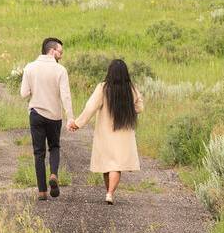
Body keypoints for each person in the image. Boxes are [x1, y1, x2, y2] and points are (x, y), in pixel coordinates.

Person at [67, 59, 144, 204]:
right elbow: (140, 107)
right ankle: (109, 193)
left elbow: (90, 107)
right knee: (116, 165)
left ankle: (109, 192)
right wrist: (127, 109)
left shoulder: (103, 88)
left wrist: (78, 123)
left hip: (105, 133)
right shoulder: (131, 89)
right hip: (124, 132)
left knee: (107, 164)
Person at [20, 37, 74, 201]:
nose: (61, 56)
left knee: (38, 153)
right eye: (60, 52)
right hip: (54, 116)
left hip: (36, 113)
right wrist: (70, 117)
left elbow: (24, 94)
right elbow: (65, 96)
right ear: (52, 51)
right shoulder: (60, 70)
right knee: (55, 147)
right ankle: (53, 174)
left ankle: (42, 191)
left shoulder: (30, 67)